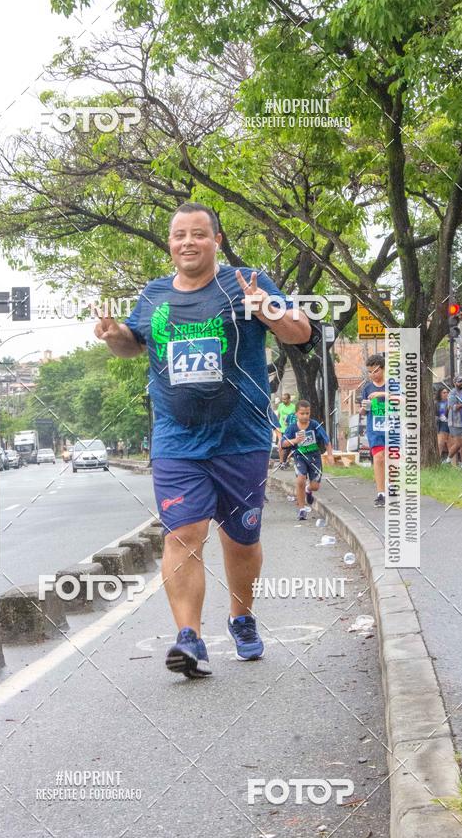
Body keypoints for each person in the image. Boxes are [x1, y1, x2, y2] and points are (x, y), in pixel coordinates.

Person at [94, 201, 314, 678]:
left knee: (240, 540)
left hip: (241, 436)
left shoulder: (246, 283)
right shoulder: (153, 295)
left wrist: (267, 308)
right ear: (170, 244)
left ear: (216, 240)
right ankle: (189, 638)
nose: (187, 242)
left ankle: (241, 617)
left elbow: (300, 333)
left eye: (198, 234)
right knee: (184, 534)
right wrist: (113, 335)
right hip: (176, 438)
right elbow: (133, 343)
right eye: (179, 235)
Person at [281, 400, 335, 520]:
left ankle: (308, 490)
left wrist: (330, 455)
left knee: (315, 486)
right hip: (300, 457)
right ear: (296, 414)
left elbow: (326, 440)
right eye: (302, 413)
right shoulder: (292, 428)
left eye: (307, 413)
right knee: (300, 480)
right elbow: (283, 444)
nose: (305, 416)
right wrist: (295, 441)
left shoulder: (315, 425)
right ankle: (301, 509)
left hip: (315, 458)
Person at [360, 354, 387, 507]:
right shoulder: (367, 388)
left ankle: (392, 486)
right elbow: (362, 412)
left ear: (382, 369)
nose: (372, 375)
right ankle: (381, 494)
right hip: (375, 429)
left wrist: (382, 394)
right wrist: (364, 408)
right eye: (369, 372)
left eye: (375, 371)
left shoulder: (392, 385)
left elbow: (403, 400)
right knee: (378, 458)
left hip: (392, 428)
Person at [276, 392, 297, 466]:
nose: (283, 401)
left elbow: (295, 417)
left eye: (285, 399)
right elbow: (278, 416)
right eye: (283, 399)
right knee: (280, 445)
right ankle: (281, 462)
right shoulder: (280, 405)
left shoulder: (293, 407)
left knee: (290, 446)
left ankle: (286, 460)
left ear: (289, 399)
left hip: (290, 429)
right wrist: (276, 426)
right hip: (281, 428)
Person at [435, 387, 451, 463]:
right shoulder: (436, 403)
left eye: (447, 392)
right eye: (444, 392)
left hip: (450, 425)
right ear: (440, 394)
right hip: (441, 425)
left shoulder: (450, 402)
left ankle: (453, 464)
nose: (446, 394)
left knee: (450, 444)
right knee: (440, 443)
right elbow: (433, 415)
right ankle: (437, 461)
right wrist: (438, 418)